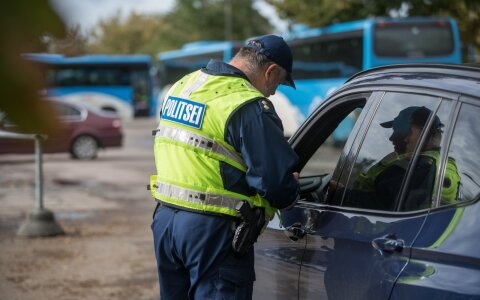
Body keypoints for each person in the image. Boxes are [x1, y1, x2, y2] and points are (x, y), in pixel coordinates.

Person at [149, 35, 300, 300]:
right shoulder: (248, 104)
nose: (274, 91)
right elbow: (275, 186)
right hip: (211, 230)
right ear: (270, 71)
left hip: (165, 223)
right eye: (278, 82)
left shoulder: (184, 85)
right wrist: (292, 185)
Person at [336, 106, 460, 211]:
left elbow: (380, 204)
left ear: (419, 132)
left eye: (398, 130)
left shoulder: (414, 167)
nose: (392, 138)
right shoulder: (442, 164)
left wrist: (340, 194)